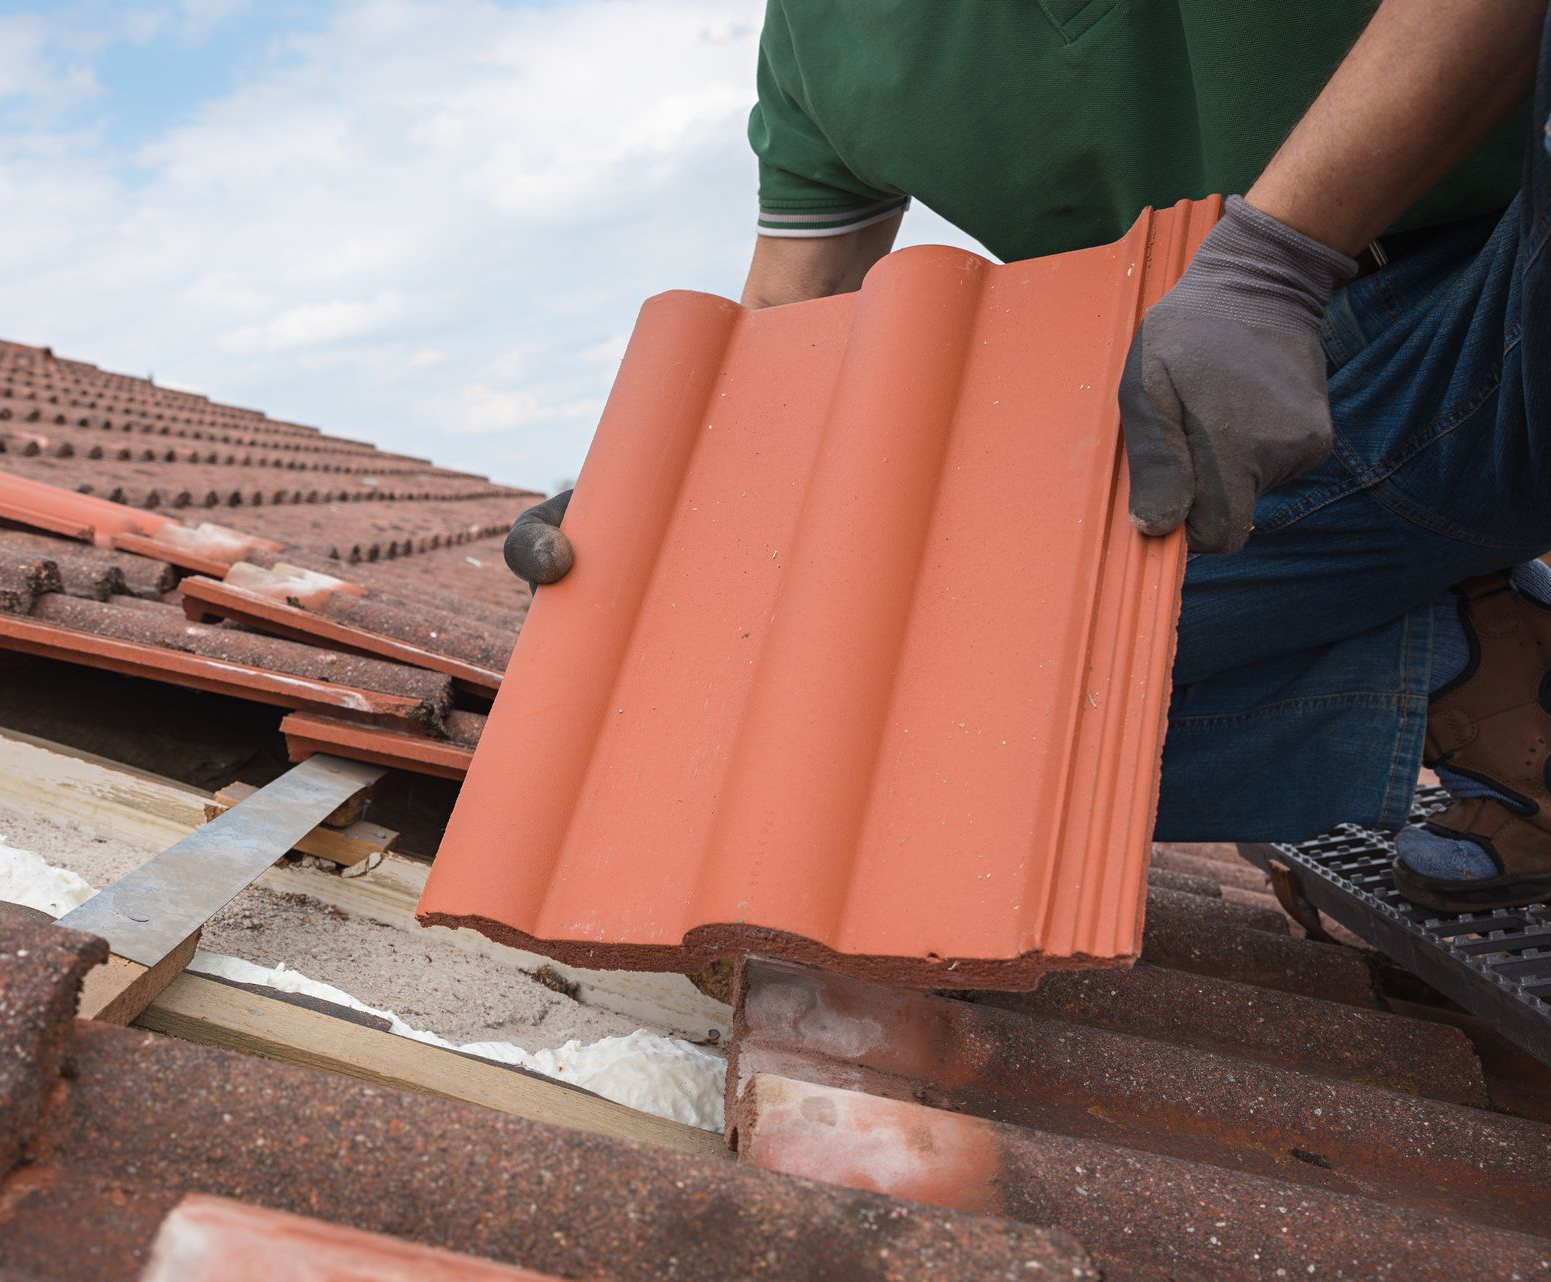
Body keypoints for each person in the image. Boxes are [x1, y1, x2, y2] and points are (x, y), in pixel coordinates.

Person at [507, 0, 1551, 913]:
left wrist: (1277, 258)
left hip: (1496, 293)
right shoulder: (816, 38)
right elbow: (792, 323)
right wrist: (663, 514)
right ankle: (1479, 666)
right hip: (1217, 417)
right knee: (839, 731)